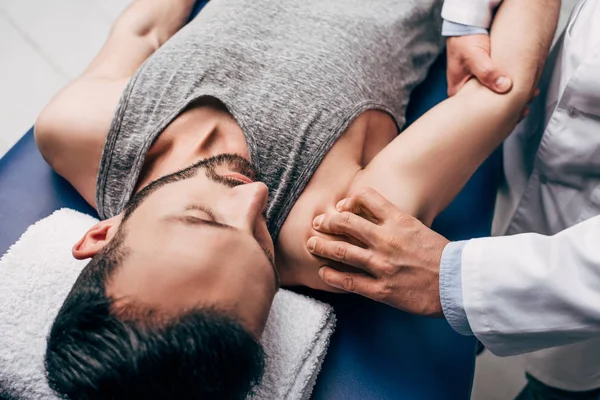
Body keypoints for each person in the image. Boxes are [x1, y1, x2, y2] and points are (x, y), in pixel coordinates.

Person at [34, 0, 555, 398]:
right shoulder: (334, 231)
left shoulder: (76, 129)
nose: (255, 197)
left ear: (103, 234)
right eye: (263, 247)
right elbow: (497, 95)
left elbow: (145, 29)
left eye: (201, 218)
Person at [312, 0, 600, 399]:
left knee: (564, 386)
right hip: (537, 135)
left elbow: (502, 92)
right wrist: (467, 15)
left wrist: (460, 281)